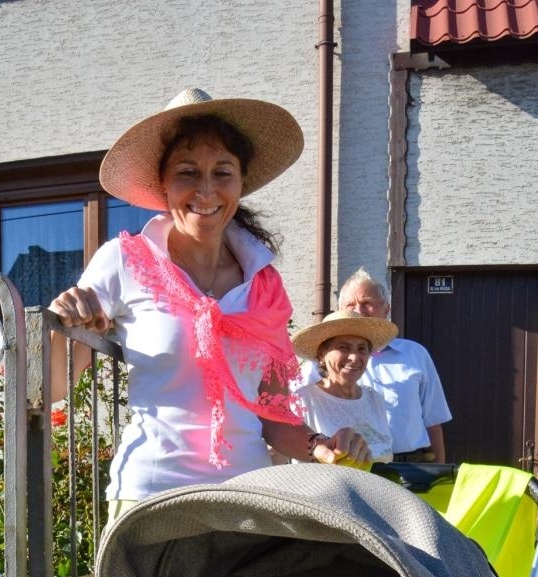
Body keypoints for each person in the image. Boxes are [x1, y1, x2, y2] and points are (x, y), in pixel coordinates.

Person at [48, 88, 371, 512]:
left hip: (247, 498)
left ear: (240, 183)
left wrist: (320, 445)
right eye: (187, 172)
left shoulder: (264, 284)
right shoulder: (126, 260)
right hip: (150, 496)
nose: (205, 190)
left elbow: (272, 415)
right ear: (162, 184)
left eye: (222, 172)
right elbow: (52, 385)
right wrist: (60, 323)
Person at [300, 268, 451, 462]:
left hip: (412, 463)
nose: (358, 311)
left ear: (387, 309)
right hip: (340, 465)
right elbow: (293, 419)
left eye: (367, 303)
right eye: (350, 305)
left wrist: (440, 470)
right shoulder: (317, 366)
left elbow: (434, 420)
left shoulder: (415, 354)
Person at [290, 310, 399, 465]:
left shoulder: (374, 398)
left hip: (376, 488)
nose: (354, 358)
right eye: (343, 347)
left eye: (362, 349)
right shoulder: (304, 400)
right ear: (322, 355)